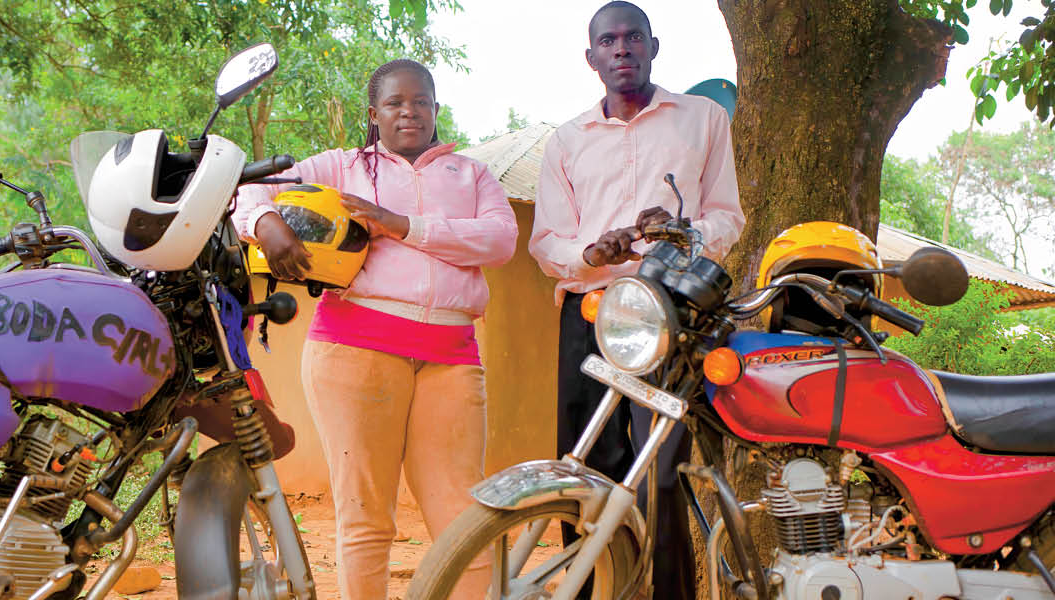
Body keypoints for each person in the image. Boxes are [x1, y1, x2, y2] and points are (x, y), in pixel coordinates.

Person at [233, 58, 516, 600]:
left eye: (420, 101)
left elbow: (500, 241)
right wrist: (266, 226)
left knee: (463, 517)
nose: (409, 111)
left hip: (451, 356)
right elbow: (253, 189)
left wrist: (399, 225)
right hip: (355, 349)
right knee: (366, 514)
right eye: (395, 103)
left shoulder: (471, 174)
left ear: (436, 108)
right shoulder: (344, 167)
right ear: (374, 113)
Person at [528, 2, 745, 599]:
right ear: (591, 58)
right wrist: (595, 253)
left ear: (654, 45)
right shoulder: (566, 142)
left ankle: (670, 593)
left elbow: (727, 216)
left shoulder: (702, 119)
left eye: (632, 38)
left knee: (662, 474)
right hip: (591, 311)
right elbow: (546, 242)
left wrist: (682, 231)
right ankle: (589, 590)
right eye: (608, 41)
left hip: (670, 310)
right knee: (586, 467)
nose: (621, 49)